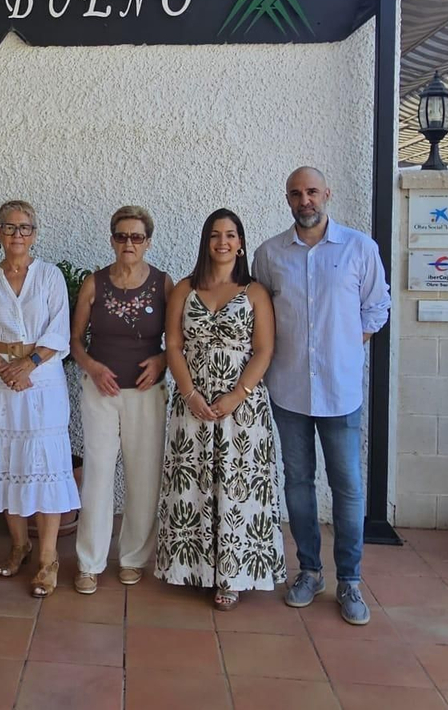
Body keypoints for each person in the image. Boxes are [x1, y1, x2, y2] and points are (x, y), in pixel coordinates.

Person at [254, 167, 390, 626]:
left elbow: (376, 307)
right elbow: (260, 315)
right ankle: (309, 571)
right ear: (287, 199)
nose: (305, 200)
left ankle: (349, 579)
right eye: (296, 193)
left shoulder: (359, 248)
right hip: (289, 389)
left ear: (327, 193)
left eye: (312, 191)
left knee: (347, 485)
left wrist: (346, 348)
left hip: (340, 390)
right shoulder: (270, 254)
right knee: (297, 482)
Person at [156, 208, 286, 611]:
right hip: (191, 405)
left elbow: (264, 350)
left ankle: (232, 577)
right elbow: (173, 345)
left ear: (240, 243)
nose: (223, 242)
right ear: (206, 242)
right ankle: (193, 568)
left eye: (230, 235)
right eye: (215, 235)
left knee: (236, 486)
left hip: (241, 410)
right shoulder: (184, 289)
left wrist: (236, 395)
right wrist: (190, 394)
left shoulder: (255, 292)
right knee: (193, 484)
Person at [0, 200, 78, 599]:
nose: (17, 235)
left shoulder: (49, 276)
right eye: (10, 227)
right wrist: (3, 368)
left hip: (41, 379)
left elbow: (59, 331)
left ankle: (48, 558)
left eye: (25, 228)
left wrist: (27, 365)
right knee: (7, 461)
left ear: (35, 233)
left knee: (44, 464)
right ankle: (19, 545)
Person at [69, 206, 172, 595]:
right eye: (122, 236)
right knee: (97, 474)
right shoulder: (94, 283)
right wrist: (92, 367)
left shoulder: (163, 283)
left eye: (137, 237)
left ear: (148, 242)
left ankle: (133, 558)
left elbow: (177, 340)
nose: (129, 243)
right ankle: (89, 562)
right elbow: (74, 341)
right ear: (112, 239)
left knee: (144, 476)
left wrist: (162, 361)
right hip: (101, 392)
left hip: (146, 394)